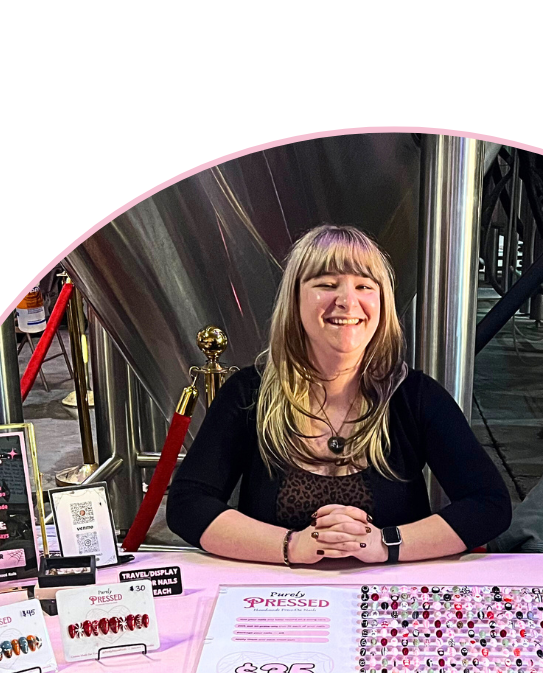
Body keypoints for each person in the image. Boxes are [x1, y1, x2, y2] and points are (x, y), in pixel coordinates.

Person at [166, 225, 511, 566]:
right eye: (327, 285)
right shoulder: (248, 393)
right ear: (295, 299)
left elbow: (489, 505)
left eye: (364, 286)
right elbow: (188, 504)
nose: (347, 302)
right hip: (277, 602)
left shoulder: (414, 396)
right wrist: (292, 545)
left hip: (386, 604)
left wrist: (384, 544)